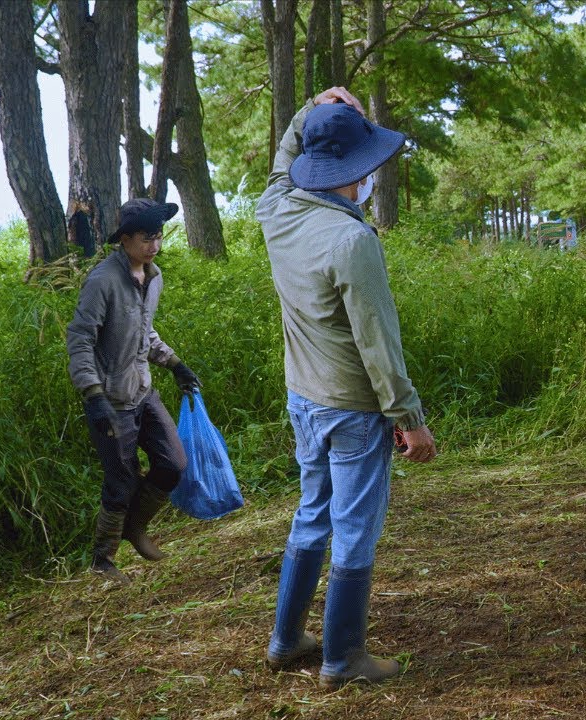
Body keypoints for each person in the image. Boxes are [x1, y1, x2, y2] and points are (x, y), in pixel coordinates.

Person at [256, 86, 438, 688]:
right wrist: (408, 417)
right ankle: (342, 659)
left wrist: (311, 108)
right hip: (355, 411)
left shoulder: (277, 211)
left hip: (303, 400)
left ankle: (286, 641)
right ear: (356, 174)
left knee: (312, 516)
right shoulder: (351, 240)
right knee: (355, 530)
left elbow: (283, 162)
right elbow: (378, 343)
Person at [67, 198, 200, 584]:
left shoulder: (153, 276)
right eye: (146, 237)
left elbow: (145, 334)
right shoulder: (103, 281)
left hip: (143, 390)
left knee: (173, 463)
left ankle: (135, 528)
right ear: (124, 239)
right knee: (121, 479)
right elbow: (80, 339)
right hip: (110, 399)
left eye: (158, 236)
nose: (154, 244)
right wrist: (93, 395)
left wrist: (175, 365)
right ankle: (102, 561)